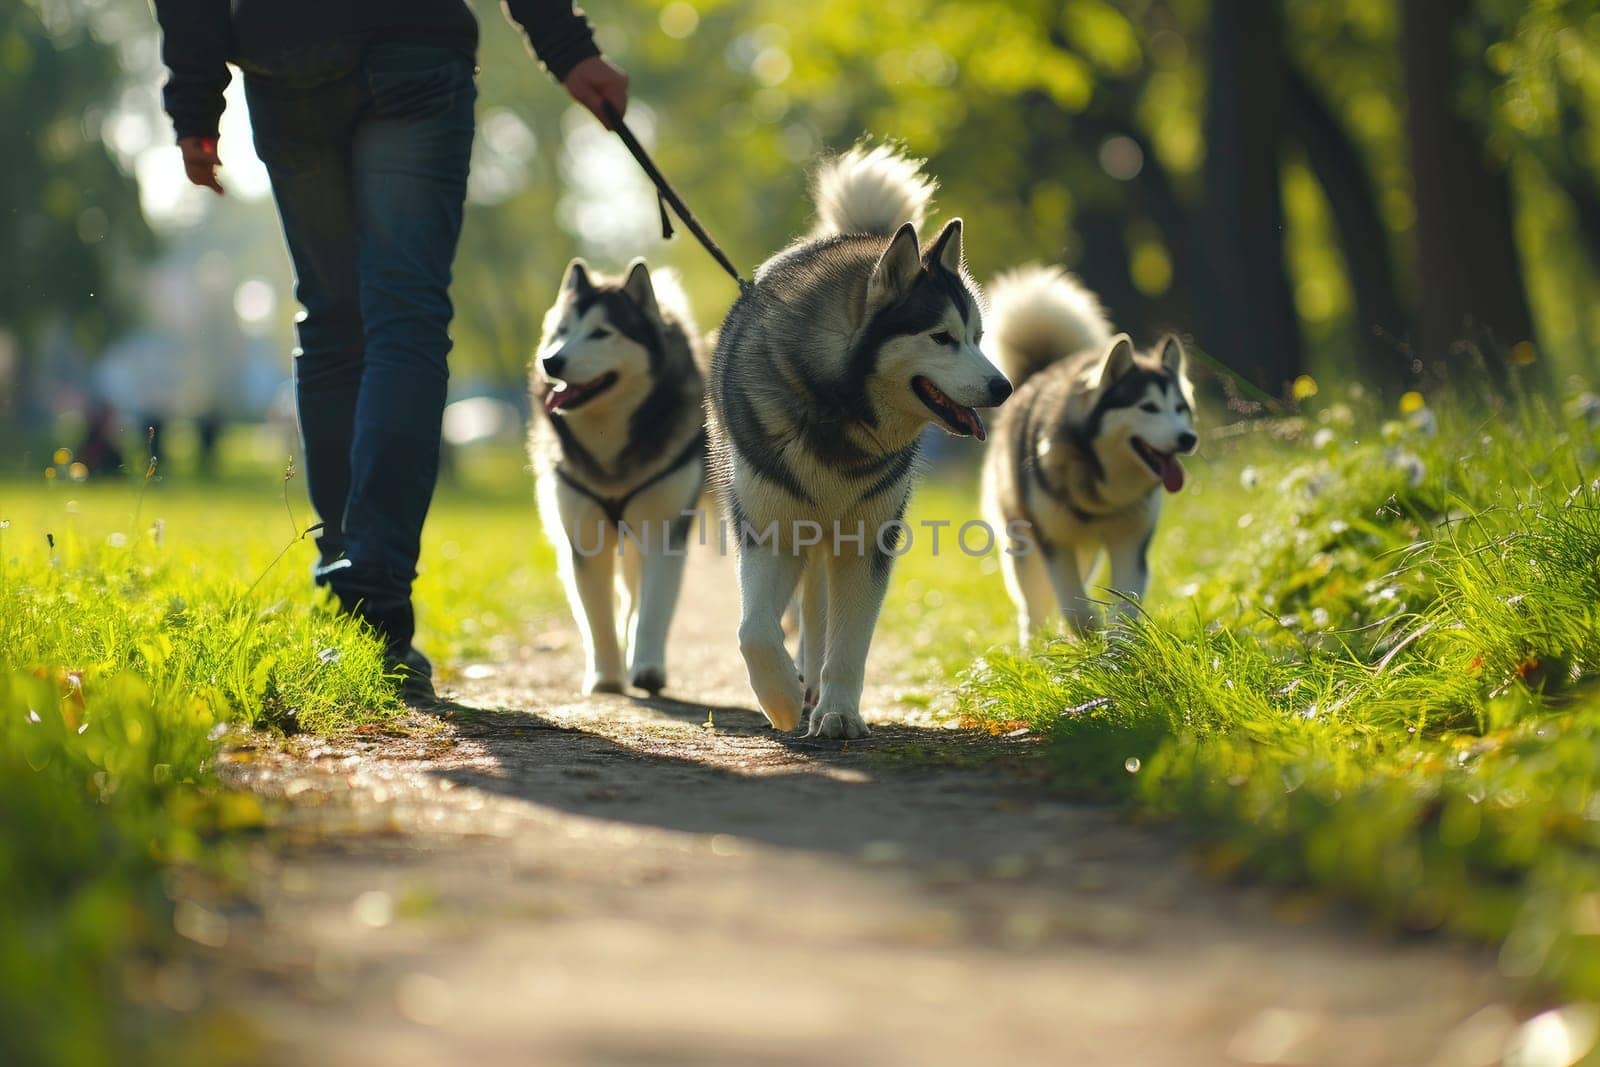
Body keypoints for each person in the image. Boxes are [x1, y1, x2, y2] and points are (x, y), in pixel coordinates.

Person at [150, 2, 629, 701]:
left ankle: (352, 601)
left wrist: (195, 99)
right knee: (403, 319)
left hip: (290, 56)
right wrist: (567, 47)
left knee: (333, 320)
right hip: (413, 42)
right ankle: (374, 605)